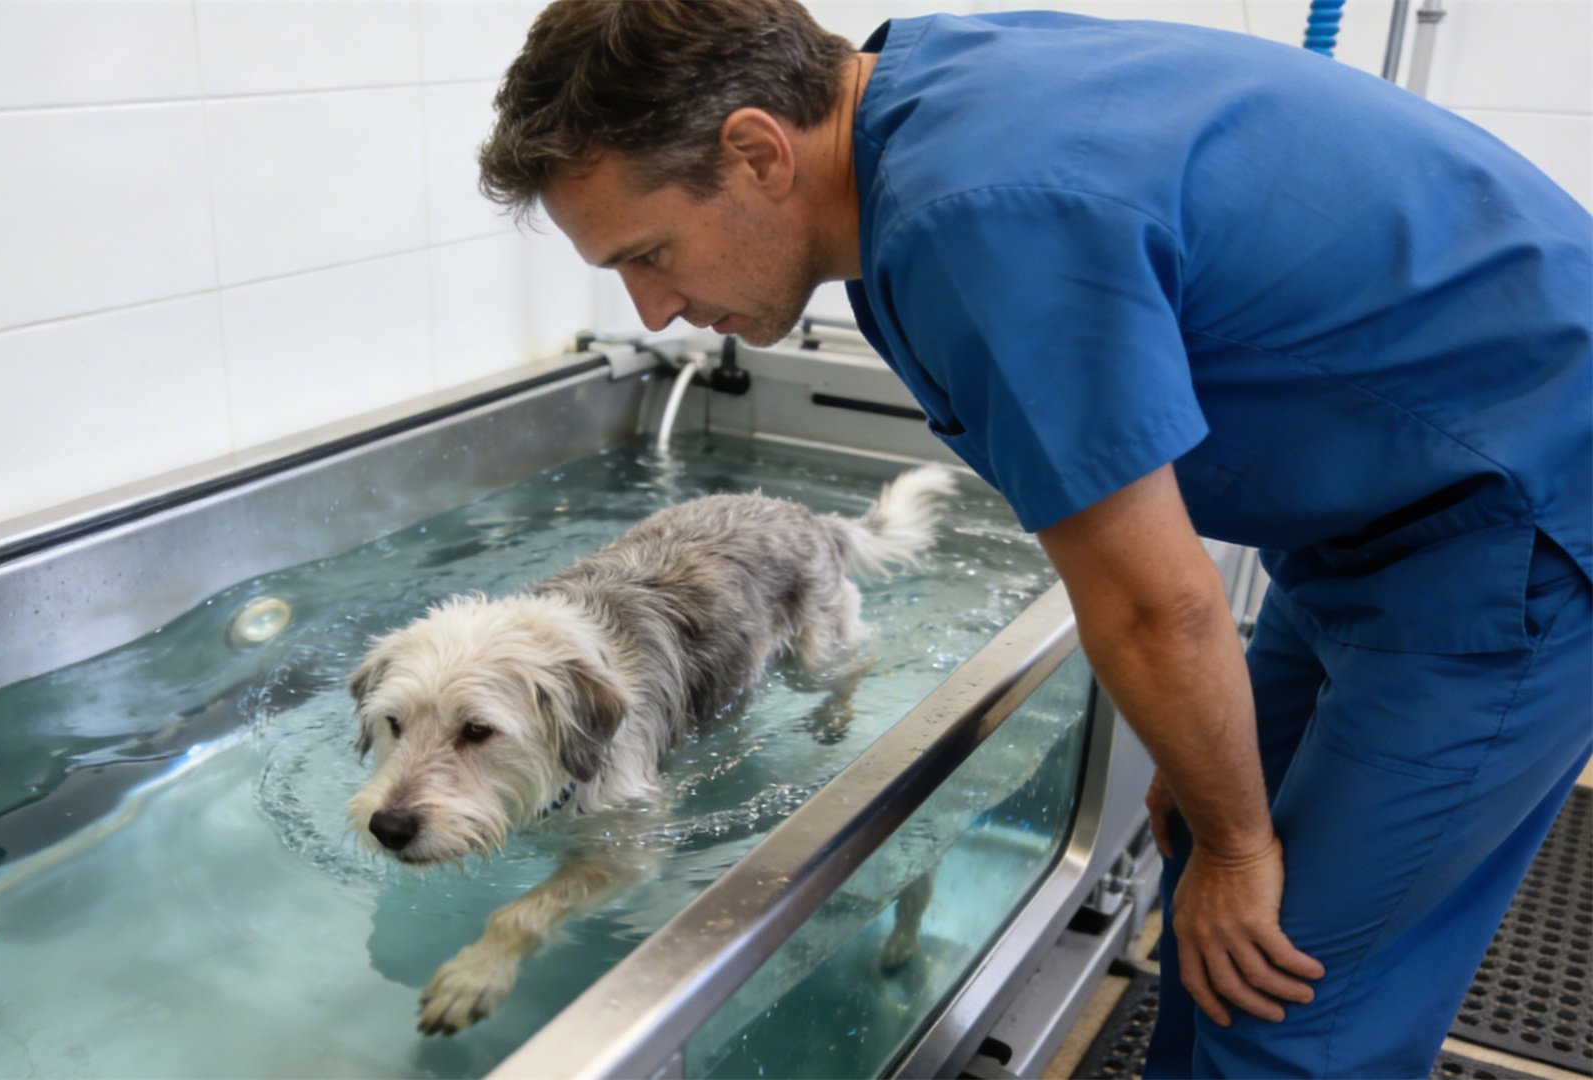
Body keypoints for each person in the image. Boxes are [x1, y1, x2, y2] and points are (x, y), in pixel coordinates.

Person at [476, 1, 1593, 1076]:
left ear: (760, 152)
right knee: (1206, 893)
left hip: (1516, 522)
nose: (652, 313)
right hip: (1372, 512)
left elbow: (1160, 607)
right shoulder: (913, 92)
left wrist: (1246, 842)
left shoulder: (971, 221)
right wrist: (1220, 810)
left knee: (1292, 995)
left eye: (649, 252)